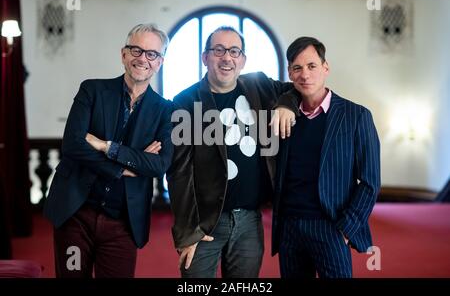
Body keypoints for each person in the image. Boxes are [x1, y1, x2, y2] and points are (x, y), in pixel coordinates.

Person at [43, 24, 173, 278]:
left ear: (160, 62)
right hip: (75, 215)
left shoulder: (165, 111)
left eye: (151, 54)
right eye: (136, 50)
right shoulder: (92, 90)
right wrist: (125, 168)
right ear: (123, 54)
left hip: (123, 223)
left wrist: (107, 147)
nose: (142, 59)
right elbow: (73, 145)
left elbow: (159, 165)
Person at [167, 26, 297, 278]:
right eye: (218, 50)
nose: (227, 57)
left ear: (243, 60)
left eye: (234, 51)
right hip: (203, 223)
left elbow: (295, 90)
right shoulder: (184, 102)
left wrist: (286, 106)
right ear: (205, 58)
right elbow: (179, 173)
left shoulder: (259, 85)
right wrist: (187, 232)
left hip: (250, 220)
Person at [272, 36, 381, 278]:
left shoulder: (357, 116)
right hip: (290, 225)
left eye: (312, 66)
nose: (305, 75)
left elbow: (370, 182)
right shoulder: (285, 117)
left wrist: (345, 230)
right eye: (297, 68)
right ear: (289, 73)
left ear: (325, 67)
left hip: (330, 226)